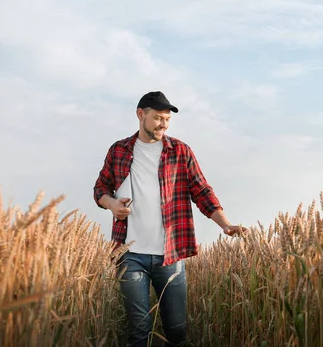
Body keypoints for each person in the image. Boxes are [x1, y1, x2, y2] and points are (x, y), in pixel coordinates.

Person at [93, 91, 246, 346]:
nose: (163, 124)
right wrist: (111, 205)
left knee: (176, 332)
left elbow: (202, 191)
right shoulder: (119, 150)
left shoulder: (180, 151)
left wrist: (226, 224)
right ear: (140, 115)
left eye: (167, 119)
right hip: (130, 255)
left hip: (170, 254)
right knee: (139, 331)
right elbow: (100, 188)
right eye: (157, 118)